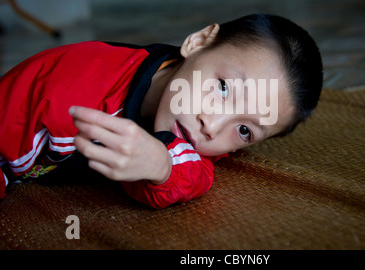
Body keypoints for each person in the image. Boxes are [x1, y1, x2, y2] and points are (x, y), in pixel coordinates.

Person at [0, 14, 323, 209]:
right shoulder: (68, 94)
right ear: (198, 42)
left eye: (245, 130)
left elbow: (196, 173)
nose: (212, 125)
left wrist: (163, 165)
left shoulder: (197, 131)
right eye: (223, 88)